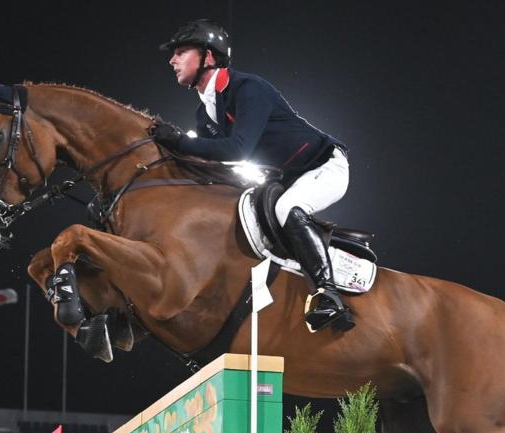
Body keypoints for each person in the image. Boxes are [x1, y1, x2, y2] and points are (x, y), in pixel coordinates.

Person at [152, 19, 355, 333]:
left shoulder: (249, 88)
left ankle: (329, 294)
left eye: (181, 52)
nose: (172, 60)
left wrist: (179, 141)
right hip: (287, 178)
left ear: (208, 56)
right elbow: (212, 166)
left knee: (287, 208)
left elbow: (238, 149)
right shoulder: (203, 114)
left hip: (324, 166)